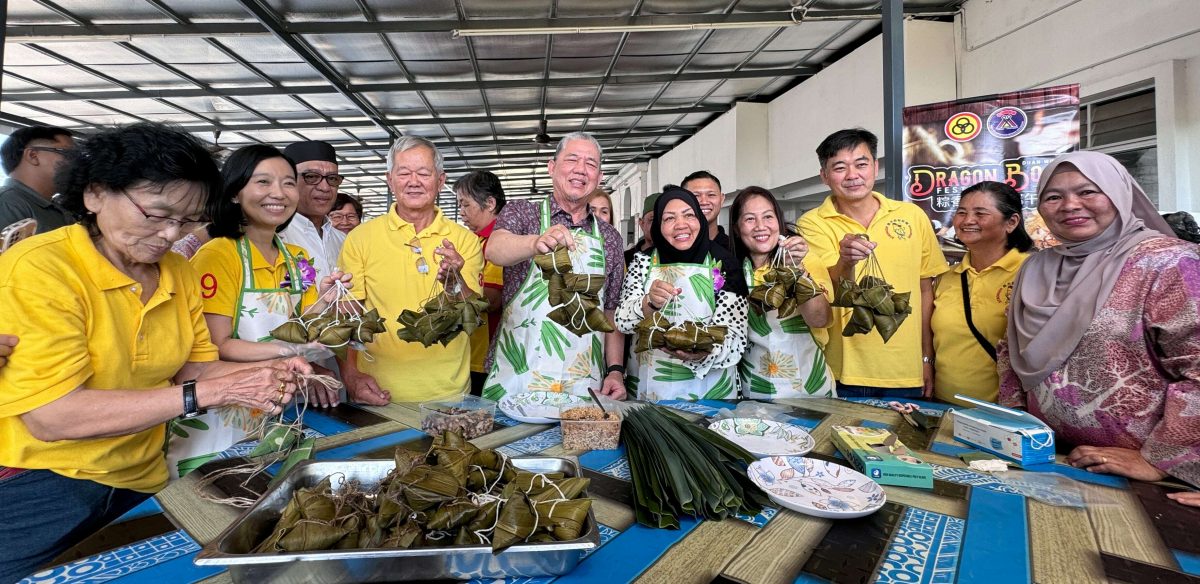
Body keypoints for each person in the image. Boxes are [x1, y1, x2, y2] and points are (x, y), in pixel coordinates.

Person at [0, 123, 310, 581]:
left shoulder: (176, 272)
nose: (169, 234)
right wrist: (208, 395)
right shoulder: (42, 269)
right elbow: (54, 417)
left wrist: (272, 370)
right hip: (44, 484)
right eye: (156, 214)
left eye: (186, 221)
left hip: (141, 475)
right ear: (95, 194)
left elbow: (196, 364)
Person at [999, 151, 1200, 497]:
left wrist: (1158, 459)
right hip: (1050, 462)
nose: (1070, 205)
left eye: (1088, 191)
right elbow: (1011, 350)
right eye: (1053, 196)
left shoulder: (1167, 263)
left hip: (1140, 477)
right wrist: (1017, 428)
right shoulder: (1035, 268)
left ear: (1120, 193)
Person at [178, 145, 351, 475]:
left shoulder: (298, 257)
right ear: (233, 193)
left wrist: (326, 301)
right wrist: (293, 352)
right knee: (222, 490)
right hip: (224, 409)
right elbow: (217, 346)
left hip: (279, 403)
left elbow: (303, 322)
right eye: (263, 182)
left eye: (287, 183)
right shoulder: (219, 254)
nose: (279, 193)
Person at [798, 128, 948, 398]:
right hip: (845, 373)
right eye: (839, 167)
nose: (852, 175)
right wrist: (846, 260)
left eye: (861, 164)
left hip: (907, 372)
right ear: (824, 176)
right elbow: (827, 289)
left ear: (875, 167)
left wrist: (927, 359)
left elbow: (926, 291)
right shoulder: (813, 222)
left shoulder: (912, 215)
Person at [338, 136, 482, 405]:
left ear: (440, 181)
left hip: (448, 395)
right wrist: (351, 375)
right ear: (389, 180)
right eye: (403, 173)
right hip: (377, 394)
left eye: (424, 173)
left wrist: (454, 280)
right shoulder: (360, 238)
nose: (413, 182)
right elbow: (349, 314)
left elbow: (470, 315)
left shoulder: (464, 241)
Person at [484, 132, 627, 401]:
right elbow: (495, 248)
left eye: (590, 164)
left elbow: (611, 310)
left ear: (600, 177)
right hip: (518, 378)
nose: (580, 169)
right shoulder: (523, 213)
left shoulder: (610, 237)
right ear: (552, 167)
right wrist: (534, 242)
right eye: (572, 159)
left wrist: (616, 370)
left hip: (584, 383)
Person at [616, 186, 748, 400]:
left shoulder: (725, 262)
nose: (681, 224)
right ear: (658, 225)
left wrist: (701, 353)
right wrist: (649, 303)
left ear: (700, 220)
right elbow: (622, 320)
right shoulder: (643, 262)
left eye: (689, 215)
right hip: (652, 389)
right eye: (669, 218)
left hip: (711, 389)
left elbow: (735, 336)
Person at [929, 182, 1033, 406]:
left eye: (980, 213)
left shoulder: (1031, 273)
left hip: (1005, 414)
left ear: (1011, 222)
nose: (967, 221)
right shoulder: (947, 277)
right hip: (942, 407)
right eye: (961, 213)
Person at [729, 186, 835, 398]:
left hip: (809, 384)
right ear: (737, 228)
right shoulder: (732, 269)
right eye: (750, 219)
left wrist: (796, 271)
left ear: (779, 221)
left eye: (768, 217)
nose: (761, 226)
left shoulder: (806, 259)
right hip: (754, 388)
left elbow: (820, 319)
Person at [454, 170, 506, 396]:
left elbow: (492, 301)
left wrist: (454, 288)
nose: (461, 212)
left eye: (465, 205)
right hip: (471, 352)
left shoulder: (497, 242)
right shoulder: (473, 241)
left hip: (488, 355)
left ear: (490, 203)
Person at [279, 140, 346, 279]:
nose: (325, 187)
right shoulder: (276, 236)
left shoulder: (342, 240)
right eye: (311, 177)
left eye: (332, 178)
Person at [0, 125, 76, 233]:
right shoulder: (7, 204)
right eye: (69, 154)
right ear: (33, 156)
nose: (77, 162)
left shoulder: (55, 206)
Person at [682, 170, 731, 251]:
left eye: (711, 195)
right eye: (696, 196)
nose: (704, 202)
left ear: (722, 199)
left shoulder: (735, 249)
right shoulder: (674, 248)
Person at [624, 192, 659, 267]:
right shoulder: (626, 259)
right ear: (642, 223)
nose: (657, 225)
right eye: (652, 220)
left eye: (664, 220)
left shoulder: (677, 258)